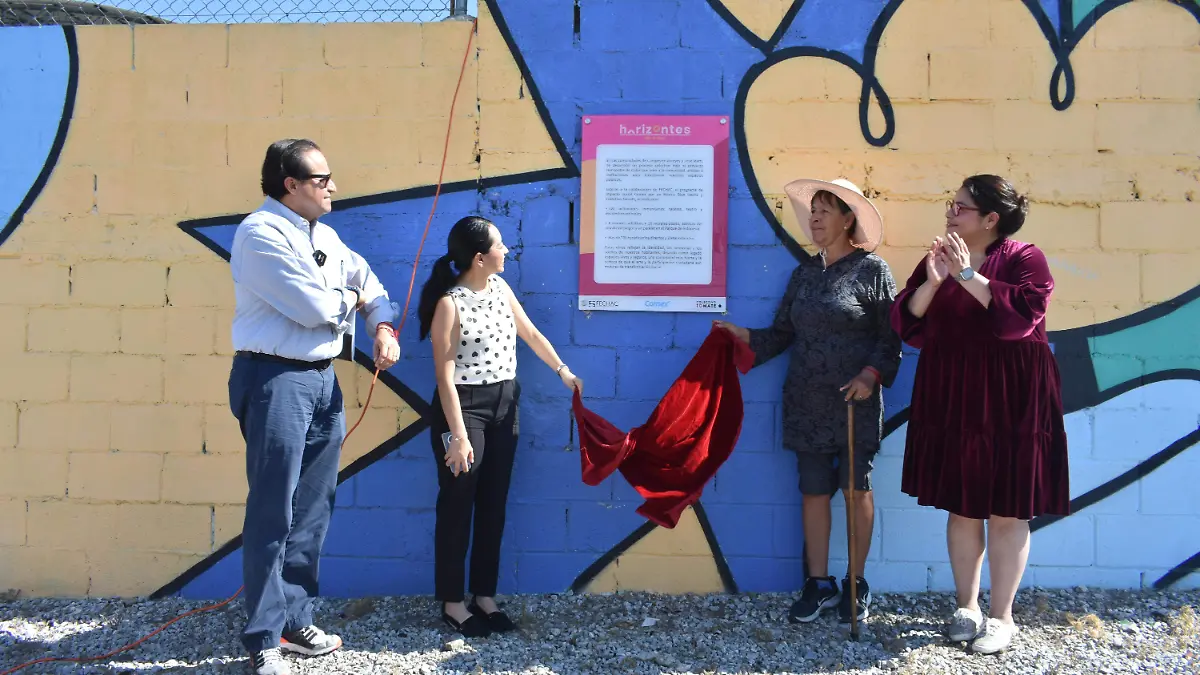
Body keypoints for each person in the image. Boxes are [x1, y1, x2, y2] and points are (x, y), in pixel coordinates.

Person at [228, 139, 401, 675]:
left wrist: (382, 324)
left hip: (323, 379)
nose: (333, 188)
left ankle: (294, 621)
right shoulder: (260, 233)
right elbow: (313, 309)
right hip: (275, 378)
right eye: (322, 180)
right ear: (291, 185)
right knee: (273, 509)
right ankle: (263, 637)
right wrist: (351, 301)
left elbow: (369, 283)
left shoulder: (324, 235)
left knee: (313, 508)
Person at [890, 175, 1069, 654]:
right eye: (951, 204)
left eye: (962, 207)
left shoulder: (1026, 258)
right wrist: (934, 280)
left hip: (1014, 391)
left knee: (1008, 508)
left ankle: (1002, 617)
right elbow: (908, 320)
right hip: (954, 388)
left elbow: (1019, 320)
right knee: (963, 503)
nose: (951, 213)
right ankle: (966, 607)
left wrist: (968, 275)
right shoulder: (940, 256)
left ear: (991, 219)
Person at [716, 178, 901, 625]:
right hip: (806, 400)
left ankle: (856, 583)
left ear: (847, 219)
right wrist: (744, 337)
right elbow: (783, 334)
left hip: (854, 402)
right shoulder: (803, 274)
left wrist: (871, 375)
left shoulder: (873, 271)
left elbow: (890, 337)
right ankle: (818, 584)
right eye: (812, 211)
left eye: (824, 211)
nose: (814, 219)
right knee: (813, 490)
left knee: (856, 488)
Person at [417, 215, 583, 638]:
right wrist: (457, 436)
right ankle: (453, 602)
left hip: (505, 403)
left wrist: (562, 370)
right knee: (458, 503)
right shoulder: (449, 304)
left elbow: (531, 333)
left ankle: (484, 596)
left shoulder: (500, 288)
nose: (506, 251)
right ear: (479, 257)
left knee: (494, 503)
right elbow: (444, 377)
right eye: (499, 245)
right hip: (464, 408)